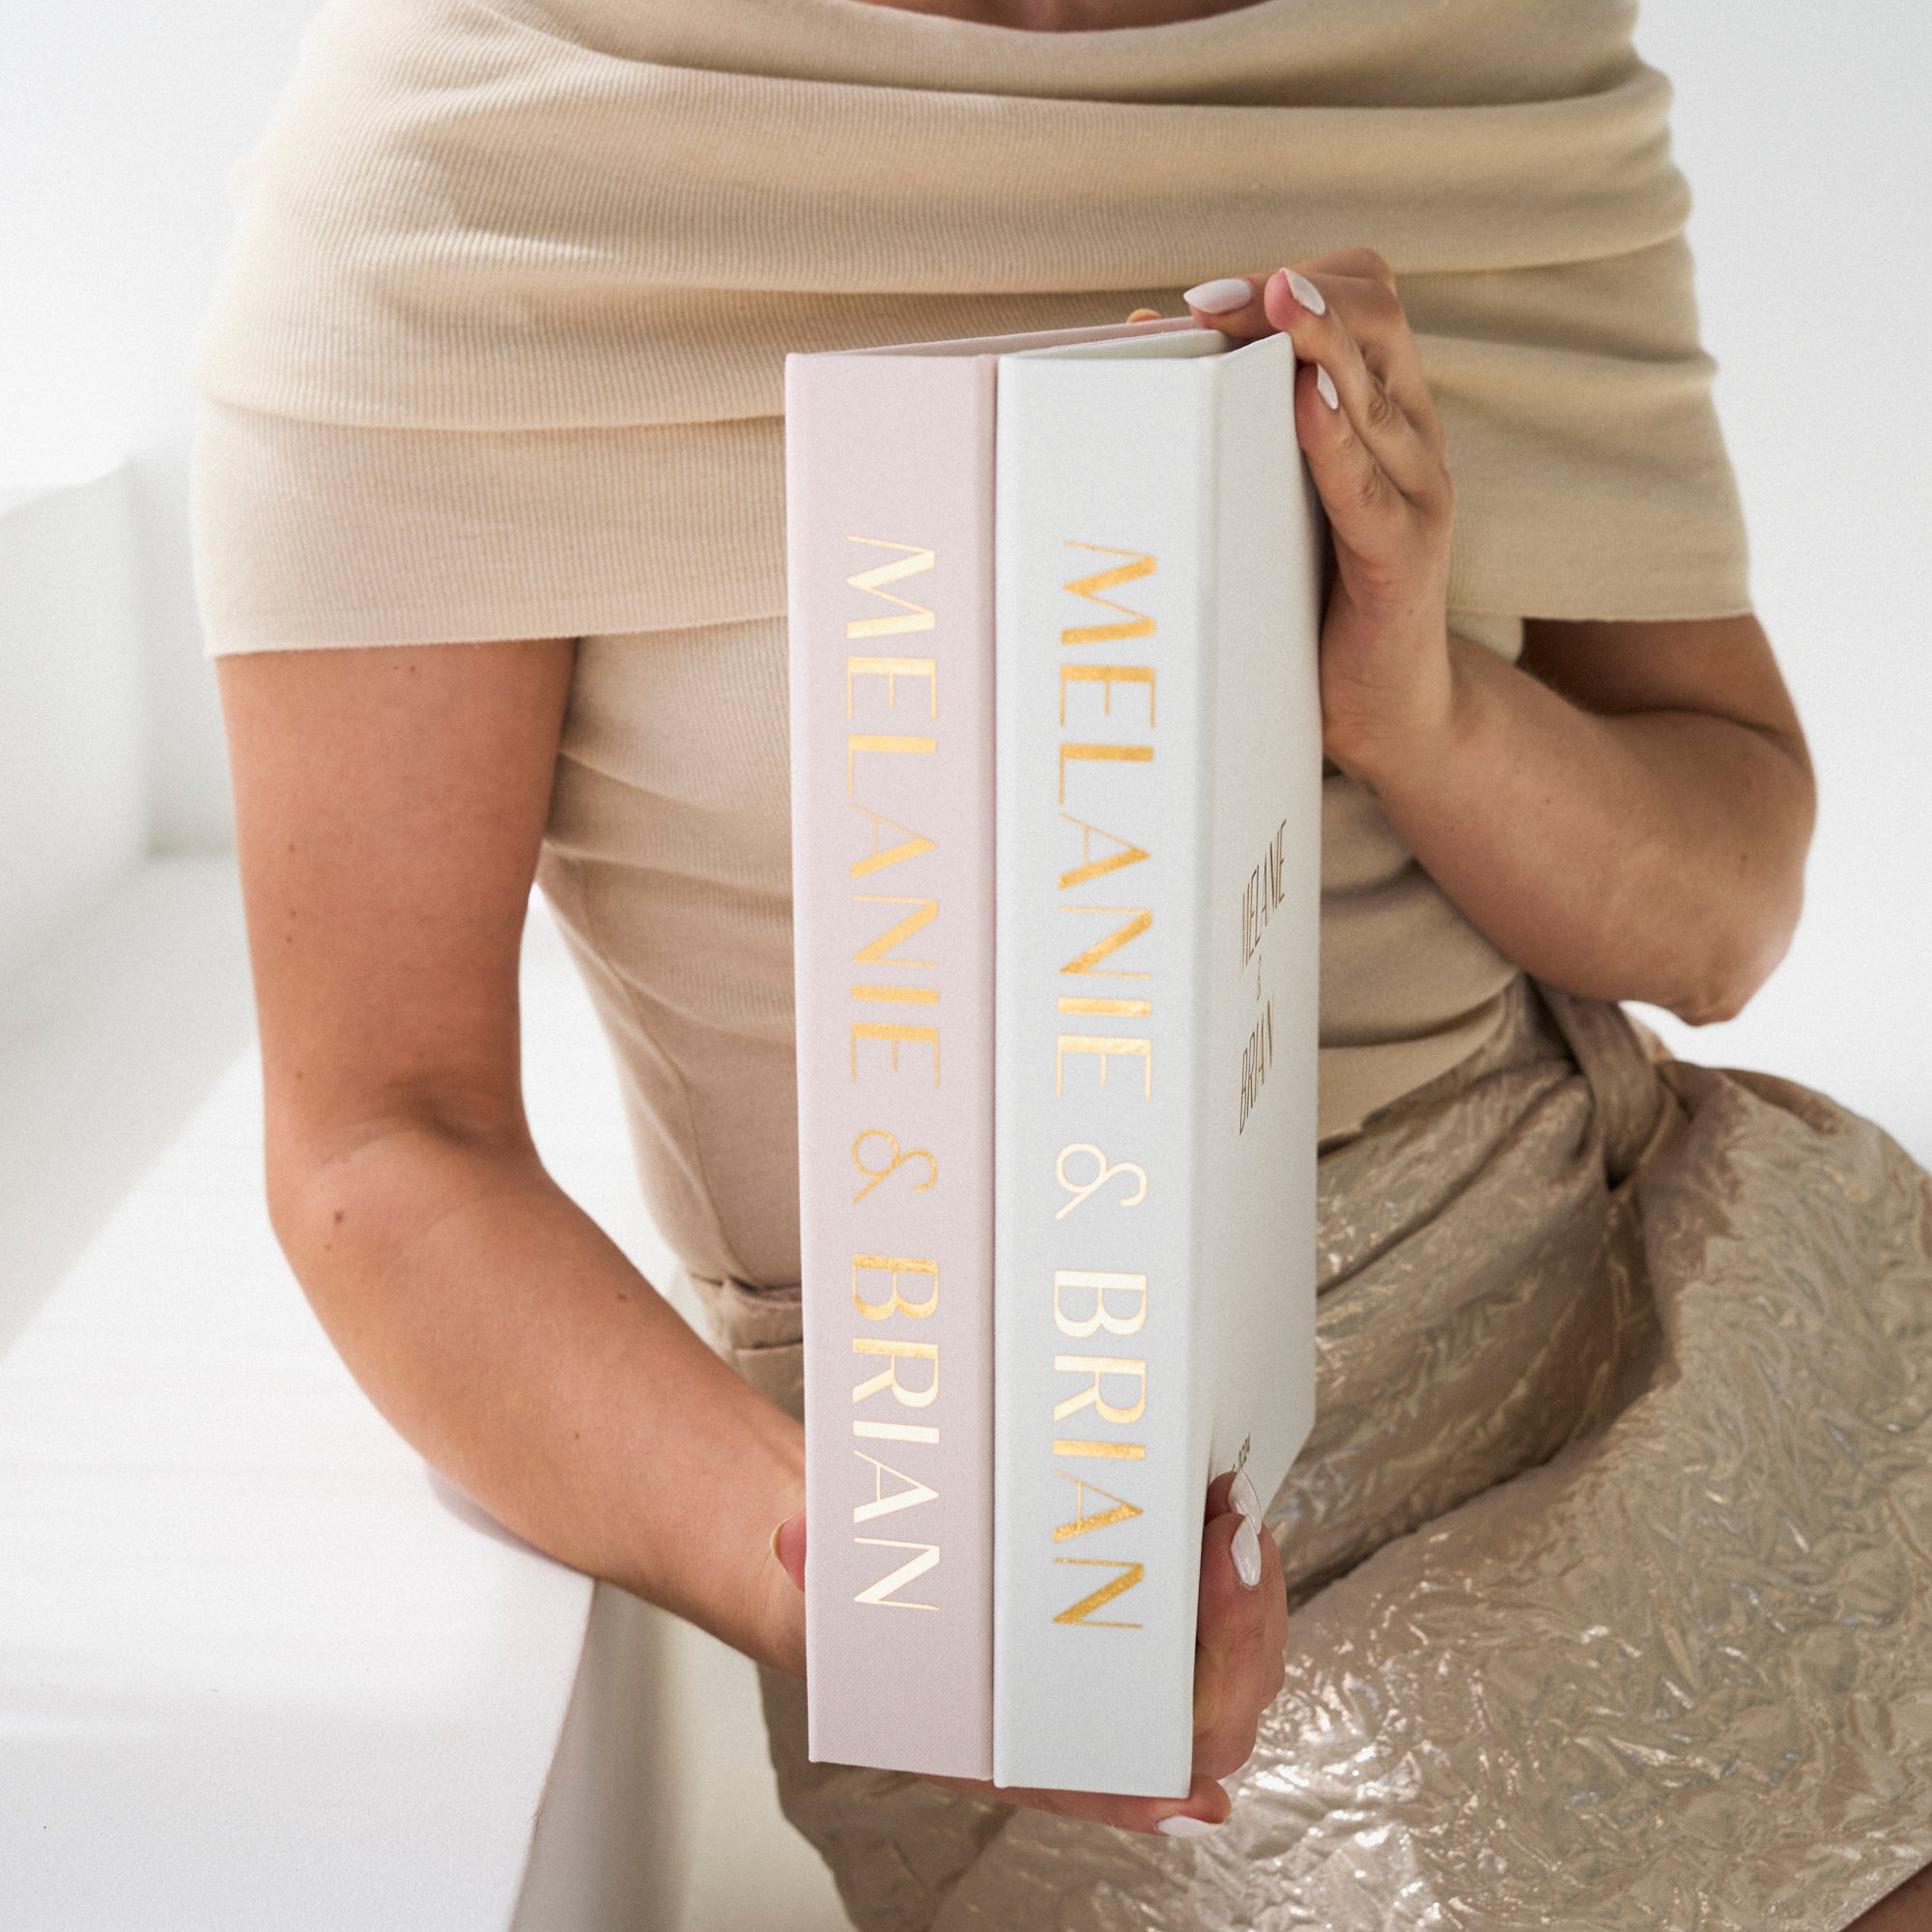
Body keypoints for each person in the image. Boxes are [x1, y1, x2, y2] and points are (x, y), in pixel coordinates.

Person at [192, 0, 1932, 1922]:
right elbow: (384, 1144)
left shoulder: (1479, 55)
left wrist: (1420, 713)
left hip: (1659, 1313)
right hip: (1054, 1557)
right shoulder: (466, 154)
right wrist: (883, 1591)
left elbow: (1724, 916)